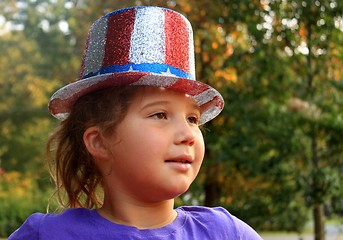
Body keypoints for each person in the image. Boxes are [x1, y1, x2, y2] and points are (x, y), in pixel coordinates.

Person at [9, 6, 263, 239]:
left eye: (192, 119)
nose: (188, 134)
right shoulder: (48, 235)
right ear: (99, 141)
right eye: (160, 115)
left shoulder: (226, 232)